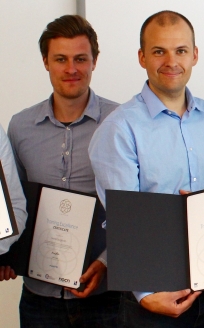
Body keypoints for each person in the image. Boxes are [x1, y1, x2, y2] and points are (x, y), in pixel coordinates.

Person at [88, 10, 204, 327]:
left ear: (195, 55)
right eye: (159, 51)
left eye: (181, 50)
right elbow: (123, 221)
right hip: (155, 296)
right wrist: (144, 294)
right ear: (142, 57)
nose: (171, 61)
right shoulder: (119, 129)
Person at [0, 15, 120, 327]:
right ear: (45, 62)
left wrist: (108, 261)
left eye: (81, 59)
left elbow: (136, 201)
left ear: (94, 60)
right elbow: (12, 201)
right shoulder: (19, 126)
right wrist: (6, 256)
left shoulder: (122, 123)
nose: (71, 69)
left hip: (105, 297)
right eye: (60, 59)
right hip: (39, 299)